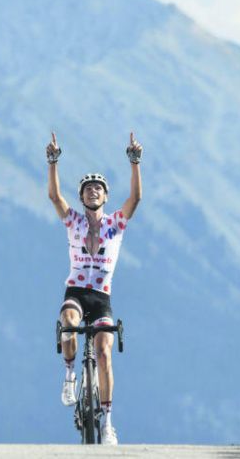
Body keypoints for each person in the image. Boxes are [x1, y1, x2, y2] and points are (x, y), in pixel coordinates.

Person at [47, 131, 143, 446]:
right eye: (87, 188)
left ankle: (108, 424)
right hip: (75, 292)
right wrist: (53, 162)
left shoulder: (116, 224)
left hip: (101, 298)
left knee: (104, 352)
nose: (92, 191)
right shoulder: (73, 221)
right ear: (82, 196)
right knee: (70, 325)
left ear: (105, 196)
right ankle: (70, 374)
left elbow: (136, 199)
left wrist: (134, 163)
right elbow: (54, 197)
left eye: (98, 188)